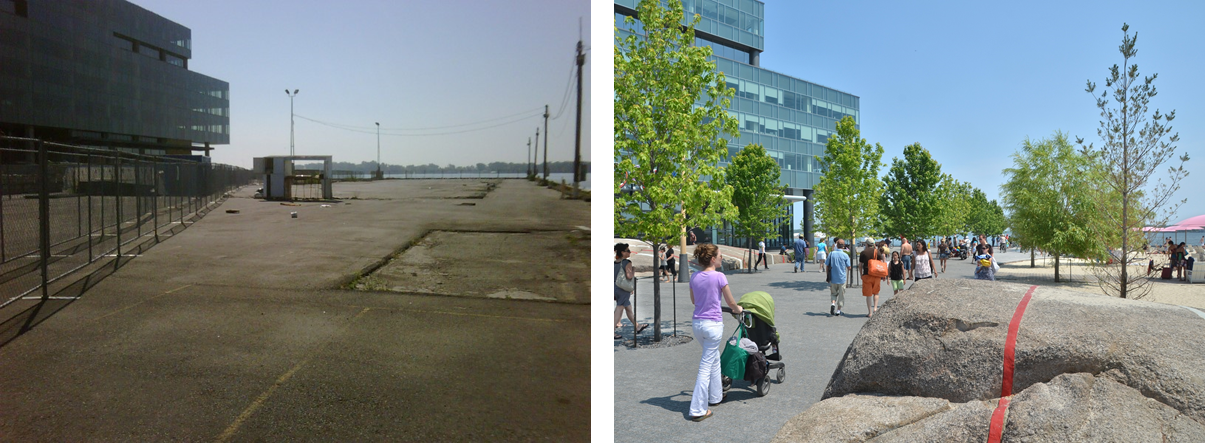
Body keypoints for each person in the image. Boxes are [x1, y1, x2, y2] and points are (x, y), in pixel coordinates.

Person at [687, 243, 743, 422]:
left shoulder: (694, 276)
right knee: (706, 365)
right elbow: (731, 301)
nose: (721, 258)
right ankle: (697, 409)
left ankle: (715, 396)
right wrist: (738, 309)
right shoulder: (719, 277)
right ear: (712, 259)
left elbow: (694, 300)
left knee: (712, 358)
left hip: (698, 324)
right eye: (719, 255)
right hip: (713, 326)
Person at [614, 244, 648, 339]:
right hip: (623, 289)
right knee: (619, 308)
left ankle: (638, 326)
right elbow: (629, 276)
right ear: (622, 252)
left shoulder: (614, 263)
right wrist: (633, 270)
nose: (629, 252)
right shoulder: (627, 262)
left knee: (628, 308)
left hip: (616, 288)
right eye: (627, 250)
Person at [826, 238, 852, 317]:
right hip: (842, 278)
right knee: (841, 295)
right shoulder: (845, 255)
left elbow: (827, 265)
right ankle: (838, 310)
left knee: (833, 293)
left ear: (836, 245)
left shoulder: (831, 254)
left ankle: (833, 303)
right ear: (843, 246)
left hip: (833, 278)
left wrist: (827, 275)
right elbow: (849, 267)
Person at [859, 241, 883, 317]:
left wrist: (861, 274)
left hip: (867, 274)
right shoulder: (877, 252)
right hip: (876, 275)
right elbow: (881, 262)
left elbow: (860, 265)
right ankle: (875, 308)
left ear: (866, 244)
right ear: (873, 245)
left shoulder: (863, 252)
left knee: (868, 294)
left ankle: (870, 312)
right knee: (876, 292)